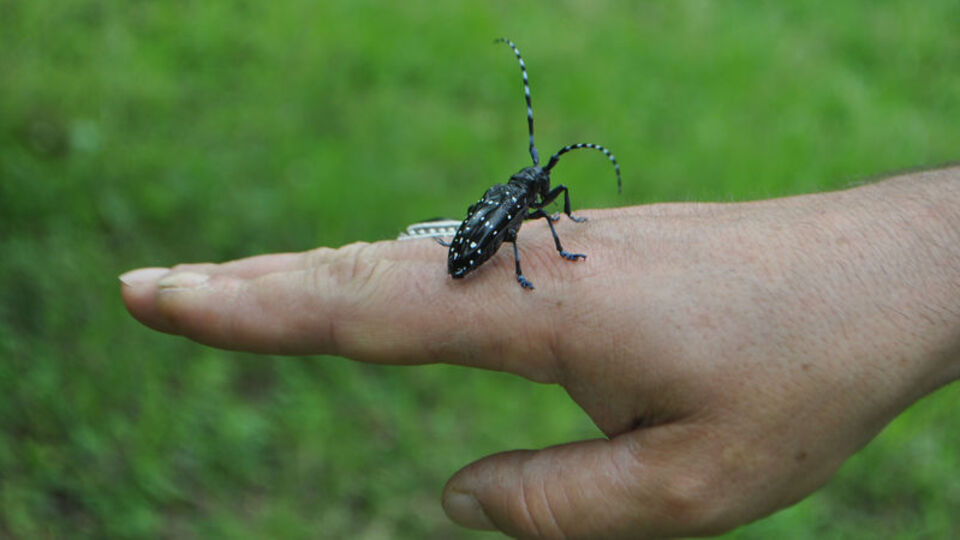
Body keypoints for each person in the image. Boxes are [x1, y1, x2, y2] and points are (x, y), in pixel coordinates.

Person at [120, 166, 960, 538]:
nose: (542, 194)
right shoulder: (517, 214)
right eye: (540, 188)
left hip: (477, 244)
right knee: (506, 239)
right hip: (475, 251)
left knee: (507, 235)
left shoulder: (525, 201)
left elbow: (535, 215)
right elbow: (516, 228)